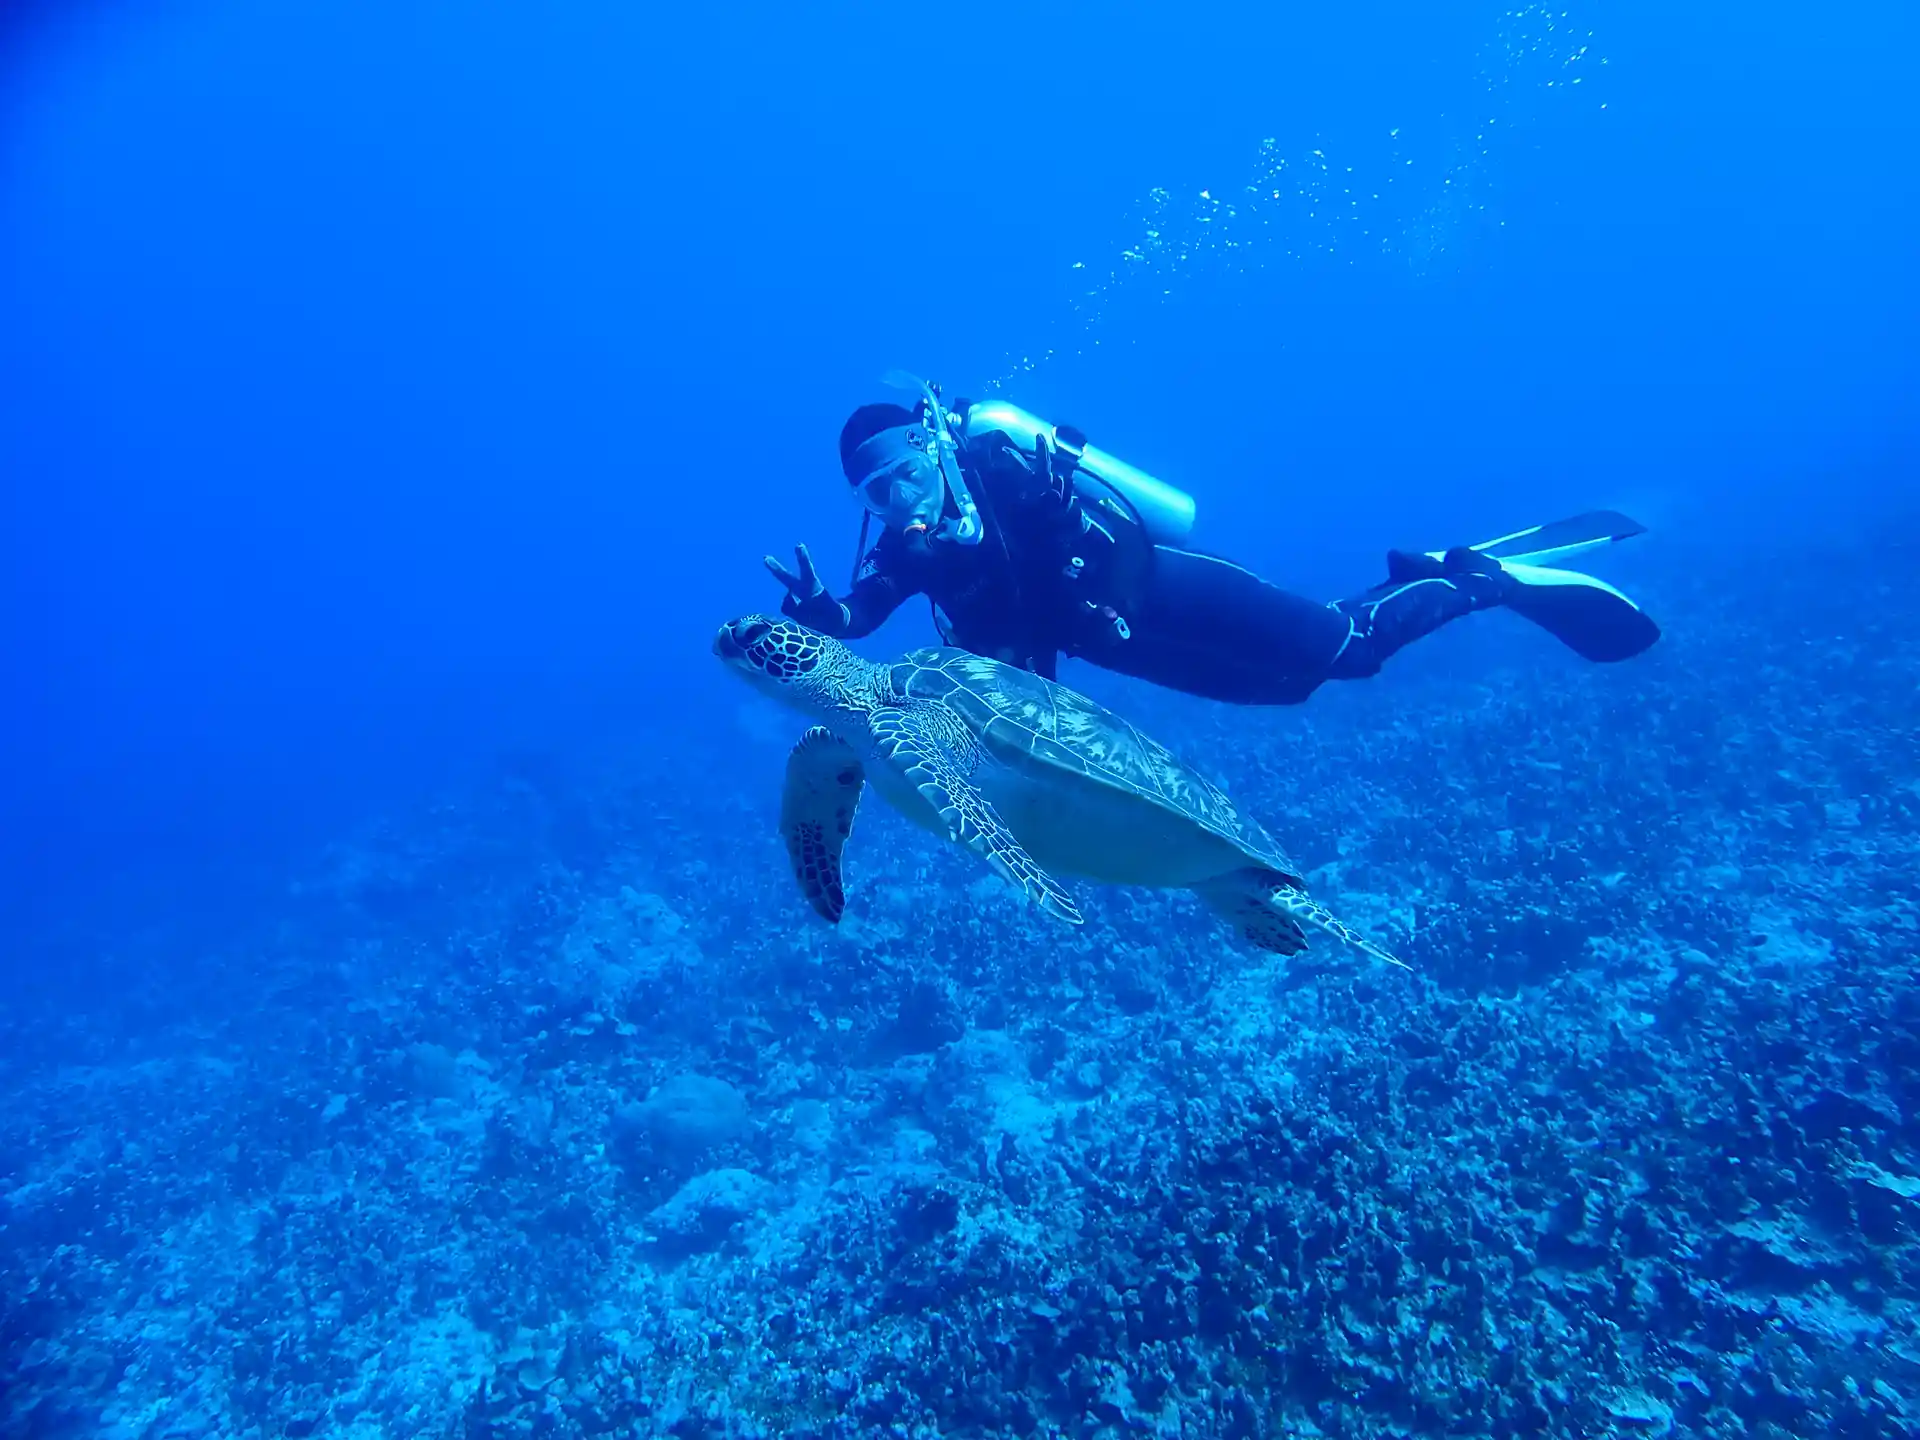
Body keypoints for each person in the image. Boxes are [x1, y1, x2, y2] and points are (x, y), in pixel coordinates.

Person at [764, 377, 1659, 705]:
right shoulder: (900, 551)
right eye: (871, 493)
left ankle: (1480, 575)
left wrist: (1055, 515)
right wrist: (819, 617)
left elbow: (1120, 541)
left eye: (901, 471)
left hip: (1164, 591)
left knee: (1349, 653)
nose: (896, 499)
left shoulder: (1002, 469)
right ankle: (1416, 577)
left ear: (931, 445)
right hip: (1115, 647)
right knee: (1290, 688)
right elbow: (860, 615)